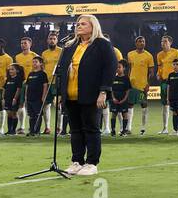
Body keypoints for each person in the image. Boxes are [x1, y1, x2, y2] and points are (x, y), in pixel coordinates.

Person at [52, 13, 116, 176]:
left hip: (91, 94)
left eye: (83, 24)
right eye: (78, 24)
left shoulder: (102, 44)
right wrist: (59, 93)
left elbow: (109, 68)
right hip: (71, 94)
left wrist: (103, 91)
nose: (78, 26)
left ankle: (92, 163)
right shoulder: (70, 46)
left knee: (91, 129)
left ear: (93, 27)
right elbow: (61, 71)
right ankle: (77, 161)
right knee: (75, 130)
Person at [125, 36, 155, 135]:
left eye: (143, 41)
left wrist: (148, 84)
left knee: (144, 105)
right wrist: (127, 82)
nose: (141, 43)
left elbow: (151, 72)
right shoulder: (130, 54)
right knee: (130, 105)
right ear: (136, 43)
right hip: (132, 85)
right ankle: (128, 128)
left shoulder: (148, 56)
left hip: (142, 86)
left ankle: (143, 128)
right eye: (139, 41)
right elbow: (129, 69)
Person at [155, 35, 178, 135]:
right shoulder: (159, 55)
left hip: (175, 82)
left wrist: (177, 77)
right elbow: (160, 67)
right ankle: (165, 128)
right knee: (165, 104)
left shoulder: (176, 52)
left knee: (176, 106)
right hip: (164, 82)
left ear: (170, 43)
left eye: (165, 41)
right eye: (162, 41)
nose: (163, 43)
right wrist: (158, 74)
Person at [41, 30, 64, 135]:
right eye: (50, 39)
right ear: (47, 40)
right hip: (47, 82)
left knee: (58, 105)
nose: (52, 41)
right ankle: (47, 127)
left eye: (54, 39)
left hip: (57, 82)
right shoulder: (44, 53)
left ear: (57, 40)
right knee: (46, 105)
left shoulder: (61, 51)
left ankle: (59, 127)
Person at [24, 56, 49, 135]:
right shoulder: (30, 74)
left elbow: (45, 85)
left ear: (40, 63)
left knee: (38, 115)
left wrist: (43, 96)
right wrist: (25, 96)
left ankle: (36, 131)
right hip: (30, 97)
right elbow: (27, 86)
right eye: (33, 62)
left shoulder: (43, 74)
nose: (34, 63)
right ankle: (31, 131)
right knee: (31, 116)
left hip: (38, 98)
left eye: (36, 62)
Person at [110, 60, 132, 135]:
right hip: (115, 100)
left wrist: (124, 99)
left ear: (124, 68)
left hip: (123, 100)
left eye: (119, 67)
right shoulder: (113, 78)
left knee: (124, 114)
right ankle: (113, 130)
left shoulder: (126, 78)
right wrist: (113, 98)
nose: (118, 68)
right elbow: (111, 89)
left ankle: (124, 131)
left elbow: (128, 90)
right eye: (117, 67)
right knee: (113, 114)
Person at [2, 63, 24, 134]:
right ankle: (9, 130)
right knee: (9, 113)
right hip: (7, 98)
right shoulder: (8, 79)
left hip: (14, 99)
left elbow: (18, 89)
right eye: (10, 69)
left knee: (14, 113)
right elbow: (4, 88)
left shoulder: (18, 79)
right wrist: (3, 98)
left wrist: (15, 98)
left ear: (17, 71)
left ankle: (13, 130)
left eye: (12, 69)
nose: (10, 71)